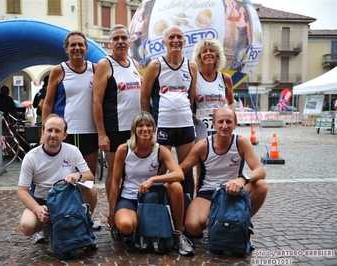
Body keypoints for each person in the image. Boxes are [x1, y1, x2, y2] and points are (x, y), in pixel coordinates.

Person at [107, 111, 195, 256]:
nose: (145, 129)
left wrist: (152, 180)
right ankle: (133, 227)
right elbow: (115, 183)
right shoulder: (124, 149)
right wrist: (111, 213)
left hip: (153, 198)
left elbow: (179, 174)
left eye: (148, 125)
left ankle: (178, 234)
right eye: (140, 125)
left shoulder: (160, 150)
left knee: (175, 186)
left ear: (154, 128)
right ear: (134, 129)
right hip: (129, 197)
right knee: (126, 225)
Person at [179, 107, 268, 242]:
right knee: (192, 227)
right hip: (208, 192)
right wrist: (159, 173)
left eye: (228, 122)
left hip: (234, 190)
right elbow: (181, 169)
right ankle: (220, 222)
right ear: (213, 124)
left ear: (235, 124)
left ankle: (241, 222)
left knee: (261, 186)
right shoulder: (203, 145)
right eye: (220, 122)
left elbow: (260, 171)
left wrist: (241, 180)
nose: (224, 126)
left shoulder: (241, 142)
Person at [18, 114, 98, 243]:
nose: (53, 135)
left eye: (57, 131)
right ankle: (44, 227)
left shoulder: (73, 150)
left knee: (91, 189)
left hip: (67, 199)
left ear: (64, 135)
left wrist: (77, 175)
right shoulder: (31, 157)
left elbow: (90, 176)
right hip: (43, 201)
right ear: (43, 133)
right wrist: (37, 209)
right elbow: (22, 191)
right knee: (27, 226)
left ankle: (85, 222)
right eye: (49, 130)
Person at [140, 25, 197, 199]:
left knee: (186, 170)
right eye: (171, 37)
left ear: (184, 41)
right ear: (164, 42)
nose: (175, 40)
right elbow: (144, 99)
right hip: (163, 125)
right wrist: (151, 125)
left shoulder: (192, 66)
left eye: (179, 37)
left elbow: (191, 98)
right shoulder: (156, 65)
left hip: (185, 125)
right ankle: (157, 208)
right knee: (160, 168)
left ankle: (187, 211)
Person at [42, 31, 99, 192]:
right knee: (62, 177)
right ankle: (62, 212)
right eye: (72, 45)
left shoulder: (95, 70)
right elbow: (48, 104)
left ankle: (85, 214)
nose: (77, 48)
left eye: (80, 44)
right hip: (65, 133)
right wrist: (43, 132)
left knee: (87, 179)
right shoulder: (59, 70)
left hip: (90, 131)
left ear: (86, 48)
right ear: (66, 49)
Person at [92, 24, 142, 199]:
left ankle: (129, 205)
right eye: (115, 39)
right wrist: (101, 134)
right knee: (115, 172)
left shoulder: (135, 64)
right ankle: (113, 212)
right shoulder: (105, 64)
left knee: (133, 170)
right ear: (110, 43)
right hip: (115, 129)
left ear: (129, 41)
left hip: (135, 129)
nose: (120, 42)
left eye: (123, 38)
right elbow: (96, 101)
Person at [192, 38, 235, 140]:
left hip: (220, 126)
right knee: (203, 153)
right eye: (204, 51)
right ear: (199, 57)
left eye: (212, 51)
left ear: (217, 55)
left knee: (219, 153)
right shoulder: (194, 78)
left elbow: (231, 102)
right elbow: (189, 102)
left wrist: (229, 115)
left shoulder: (225, 78)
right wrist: (192, 115)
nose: (208, 53)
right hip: (200, 126)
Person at [226, 0, 252, 71]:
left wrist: (250, 45)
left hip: (244, 42)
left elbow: (249, 33)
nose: (241, 8)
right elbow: (228, 17)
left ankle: (238, 70)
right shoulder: (238, 18)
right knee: (235, 56)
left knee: (240, 57)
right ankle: (232, 70)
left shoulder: (247, 22)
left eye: (243, 8)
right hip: (239, 41)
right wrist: (233, 7)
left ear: (245, 12)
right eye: (240, 8)